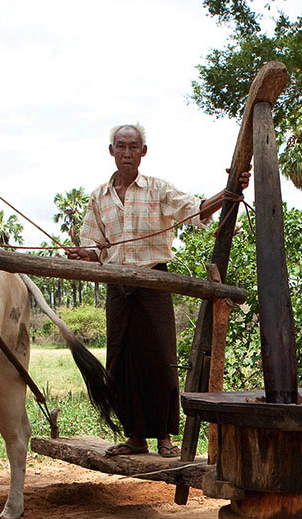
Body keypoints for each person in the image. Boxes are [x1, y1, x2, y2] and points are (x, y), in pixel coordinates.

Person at [68, 123, 249, 457]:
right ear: (111, 151)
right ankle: (135, 436)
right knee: (121, 362)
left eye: (133, 147)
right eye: (120, 147)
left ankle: (164, 436)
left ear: (143, 152)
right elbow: (95, 246)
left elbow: (194, 210)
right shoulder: (98, 197)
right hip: (118, 286)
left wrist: (226, 193)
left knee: (161, 358)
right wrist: (85, 254)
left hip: (154, 282)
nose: (126, 153)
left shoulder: (158, 189)